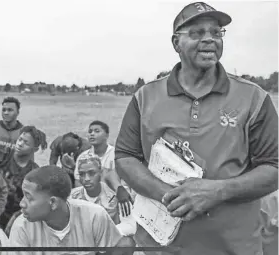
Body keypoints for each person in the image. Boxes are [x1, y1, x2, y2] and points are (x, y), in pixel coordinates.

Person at [114, 2, 278, 255]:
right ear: (175, 43)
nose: (209, 39)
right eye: (197, 33)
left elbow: (274, 168)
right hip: (160, 246)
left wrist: (218, 191)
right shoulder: (146, 97)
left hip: (233, 247)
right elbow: (125, 157)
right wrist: (171, 196)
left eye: (216, 32)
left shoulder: (253, 98)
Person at [9, 165, 134, 255]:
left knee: (126, 243)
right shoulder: (22, 227)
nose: (22, 204)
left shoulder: (94, 215)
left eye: (29, 197)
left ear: (53, 203)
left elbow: (118, 248)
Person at [73, 121, 134, 216]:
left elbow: (122, 181)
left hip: (116, 199)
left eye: (97, 131)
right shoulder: (83, 157)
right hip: (91, 198)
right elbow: (78, 183)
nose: (92, 134)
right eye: (90, 131)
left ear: (107, 135)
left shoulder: (117, 155)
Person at [70, 154, 137, 239]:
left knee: (127, 243)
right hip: (83, 242)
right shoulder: (72, 197)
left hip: (110, 241)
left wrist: (103, 233)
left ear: (101, 172)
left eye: (92, 173)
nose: (86, 178)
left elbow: (130, 225)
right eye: (82, 174)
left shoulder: (117, 195)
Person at [0, 125, 47, 231]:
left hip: (17, 217)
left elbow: (32, 202)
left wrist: (15, 218)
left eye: (26, 143)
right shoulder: (2, 157)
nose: (20, 144)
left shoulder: (34, 172)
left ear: (35, 149)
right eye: (20, 139)